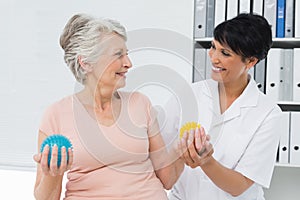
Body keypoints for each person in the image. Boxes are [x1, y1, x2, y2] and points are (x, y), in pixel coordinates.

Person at [33, 13, 184, 200]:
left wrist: (182, 150)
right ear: (86, 63)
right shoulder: (56, 115)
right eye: (118, 55)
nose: (128, 63)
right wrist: (53, 174)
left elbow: (167, 180)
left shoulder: (140, 103)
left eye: (127, 54)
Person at [164, 13, 282, 200]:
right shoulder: (187, 95)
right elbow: (160, 155)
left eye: (225, 53)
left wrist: (206, 161)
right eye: (213, 47)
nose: (214, 58)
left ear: (251, 61)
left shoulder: (268, 113)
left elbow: (240, 185)